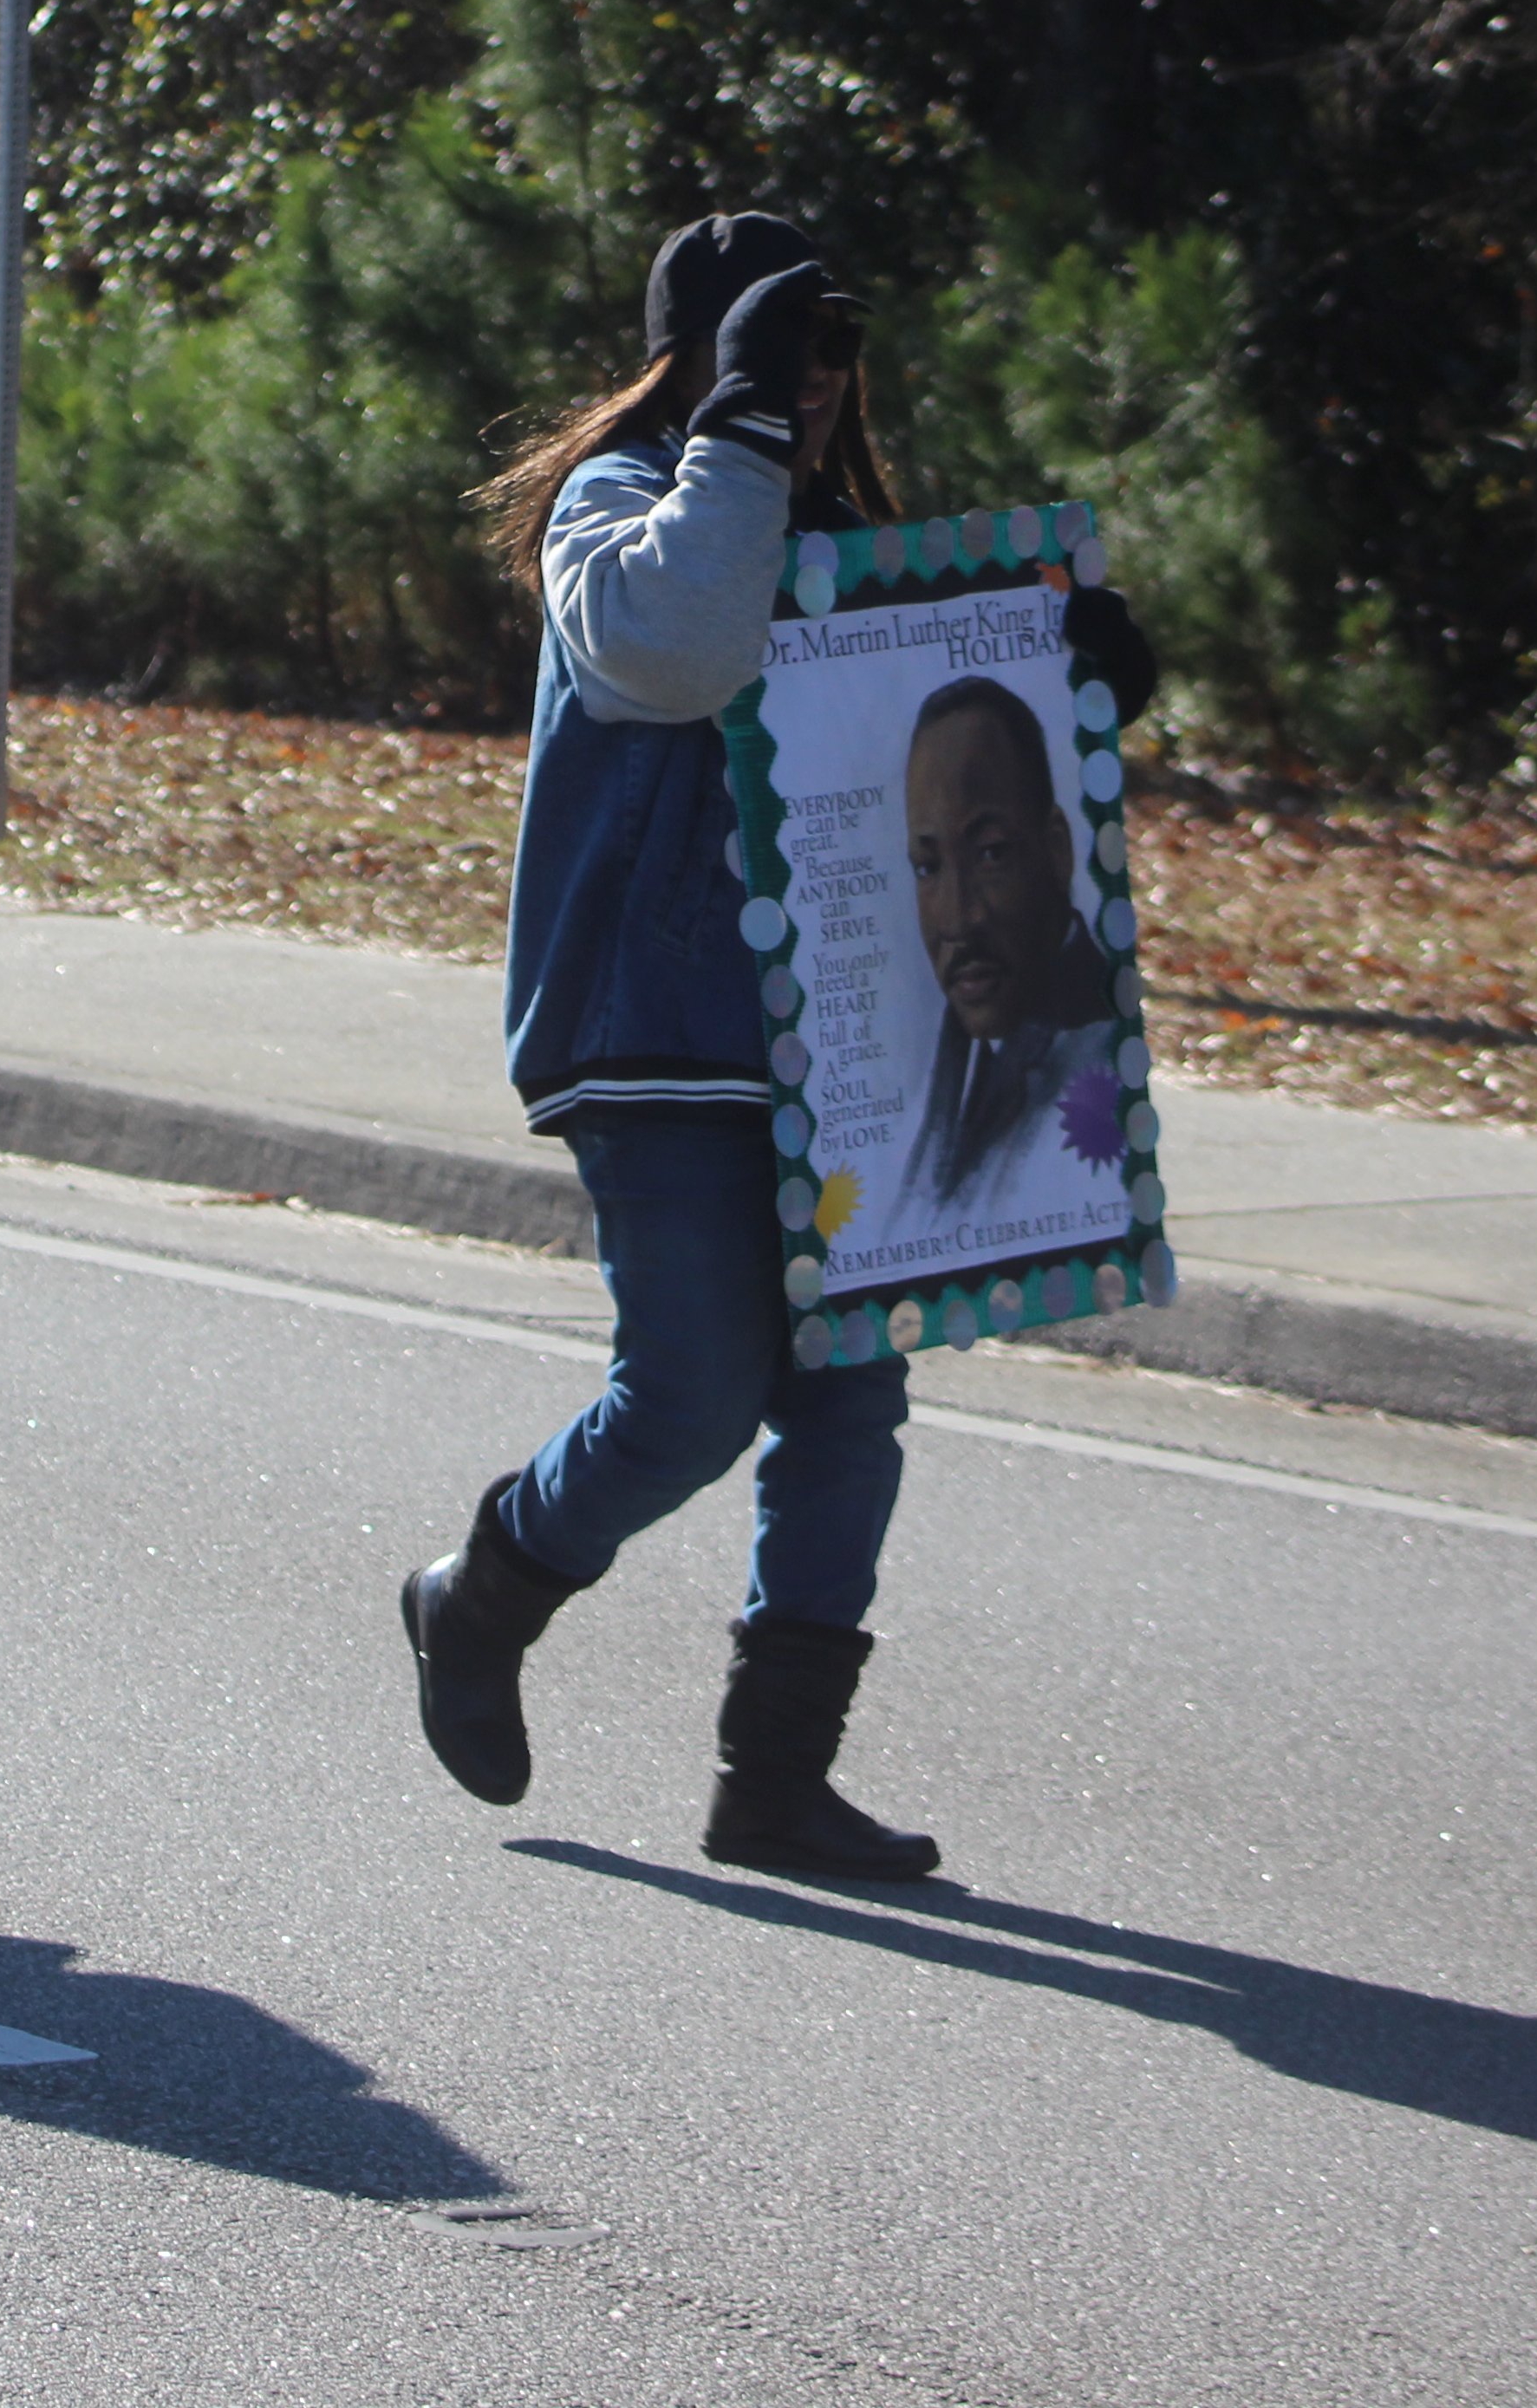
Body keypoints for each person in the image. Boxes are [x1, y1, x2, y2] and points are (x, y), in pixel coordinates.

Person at [392, 212, 1156, 1884]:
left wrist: (1071, 682)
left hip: (851, 1052)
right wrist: (726, 423)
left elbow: (968, 770)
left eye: (828, 350)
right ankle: (487, 1586)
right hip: (654, 1038)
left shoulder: (853, 548)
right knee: (687, 1396)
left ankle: (772, 1781)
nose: (811, 381)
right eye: (776, 345)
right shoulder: (616, 514)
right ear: (699, 358)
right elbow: (674, 647)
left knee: (846, 1401)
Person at [895, 677, 1114, 1220]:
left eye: (991, 854)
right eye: (928, 867)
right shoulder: (951, 1062)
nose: (956, 919)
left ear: (1057, 850)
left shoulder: (1096, 1051)